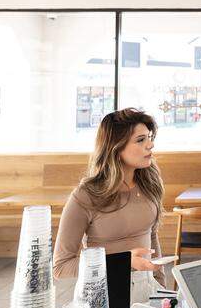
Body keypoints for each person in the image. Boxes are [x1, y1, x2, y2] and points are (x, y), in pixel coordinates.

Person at [54, 108, 165, 282]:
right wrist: (125, 262)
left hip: (147, 294)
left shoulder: (150, 183)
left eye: (149, 138)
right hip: (104, 297)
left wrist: (161, 289)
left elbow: (152, 237)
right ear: (116, 147)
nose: (150, 145)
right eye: (140, 140)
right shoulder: (85, 196)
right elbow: (61, 267)